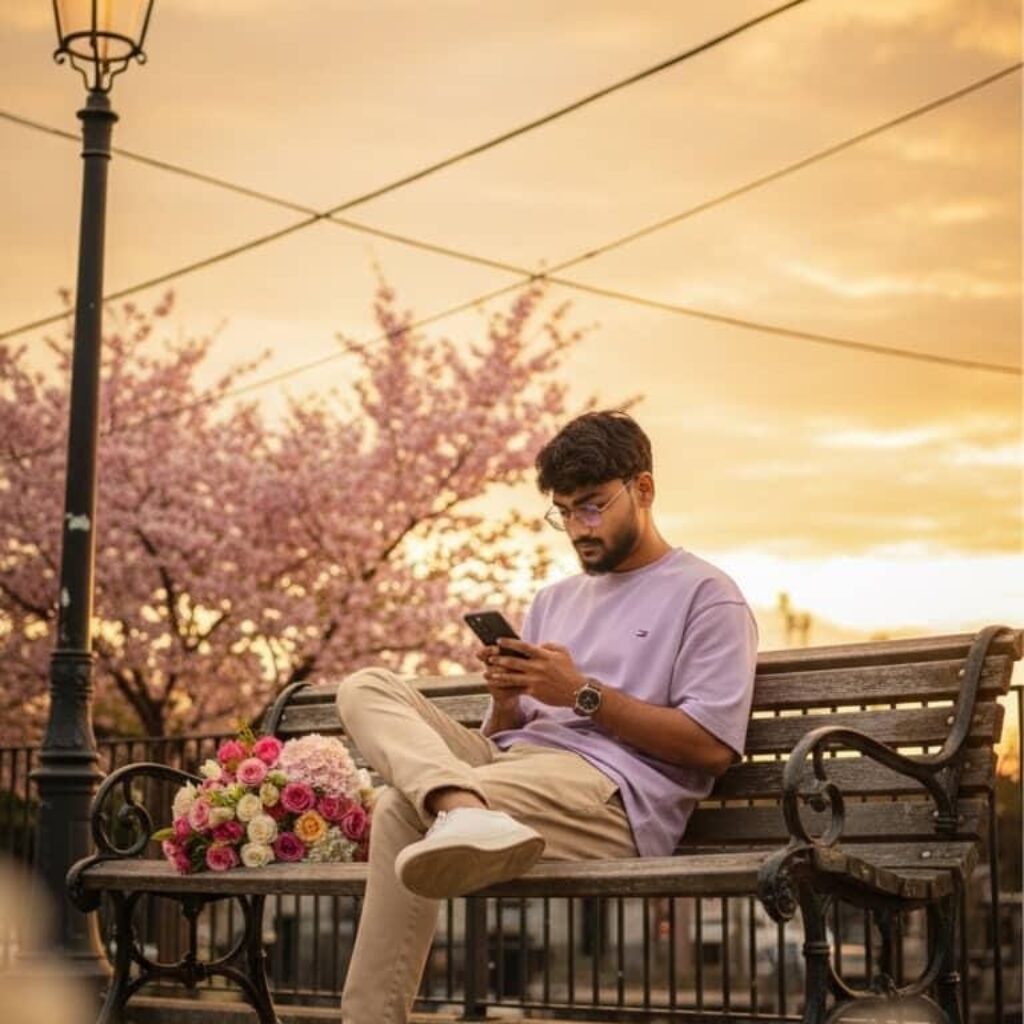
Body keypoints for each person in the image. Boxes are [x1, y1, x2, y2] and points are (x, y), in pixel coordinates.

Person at [335, 409, 758, 1024]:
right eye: (563, 512)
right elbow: (514, 736)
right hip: (520, 770)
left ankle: (457, 818)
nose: (577, 528)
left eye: (591, 506)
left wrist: (582, 694)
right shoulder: (554, 599)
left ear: (643, 490)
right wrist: (507, 699)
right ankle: (463, 808)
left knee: (403, 807)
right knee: (365, 685)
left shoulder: (706, 596)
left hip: (612, 793)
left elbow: (711, 748)